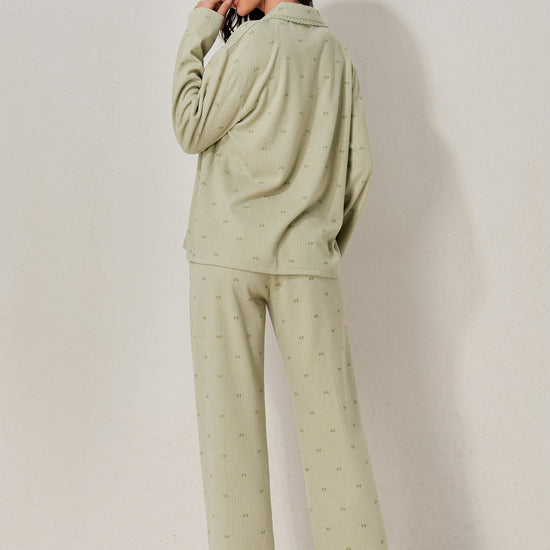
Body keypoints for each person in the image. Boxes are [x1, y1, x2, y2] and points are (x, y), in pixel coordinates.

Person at [171, 1, 389, 548]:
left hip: (223, 259)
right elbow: (360, 173)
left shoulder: (251, 45)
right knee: (336, 436)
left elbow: (189, 126)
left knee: (230, 441)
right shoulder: (337, 55)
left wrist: (200, 29)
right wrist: (318, 248)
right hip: (308, 265)